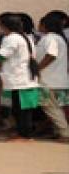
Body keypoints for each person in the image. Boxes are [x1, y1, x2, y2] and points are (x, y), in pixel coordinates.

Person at [0, 12, 42, 141]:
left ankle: (24, 134)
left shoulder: (11, 38)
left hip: (18, 78)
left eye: (0, 24)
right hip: (24, 77)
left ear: (5, 25)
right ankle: (22, 132)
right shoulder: (25, 37)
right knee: (22, 109)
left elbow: (2, 56)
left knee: (21, 109)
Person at [35, 11, 69, 140]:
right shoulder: (59, 38)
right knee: (56, 108)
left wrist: (38, 68)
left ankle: (65, 133)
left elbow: (51, 55)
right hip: (59, 79)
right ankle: (57, 131)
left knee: (50, 107)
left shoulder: (50, 38)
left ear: (44, 25)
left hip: (49, 79)